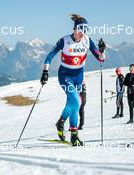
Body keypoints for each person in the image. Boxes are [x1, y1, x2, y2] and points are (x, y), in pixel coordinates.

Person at [40, 14, 106, 146]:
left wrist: (102, 51)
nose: (82, 33)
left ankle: (60, 122)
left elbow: (101, 59)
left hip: (78, 77)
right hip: (65, 75)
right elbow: (49, 56)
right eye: (80, 29)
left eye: (85, 30)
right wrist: (45, 72)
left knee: (72, 104)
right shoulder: (64, 40)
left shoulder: (88, 40)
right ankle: (74, 135)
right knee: (77, 101)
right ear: (74, 29)